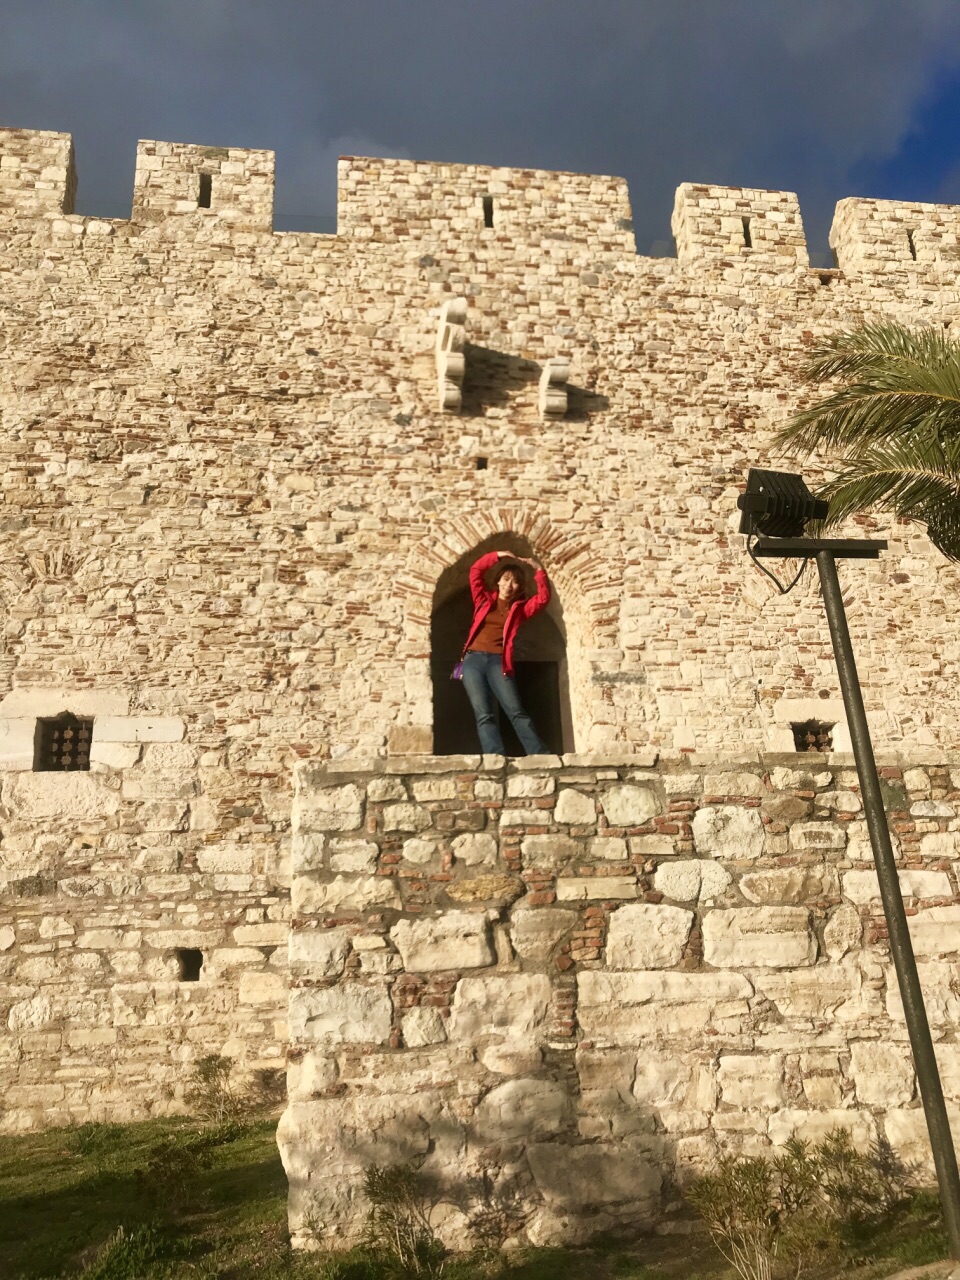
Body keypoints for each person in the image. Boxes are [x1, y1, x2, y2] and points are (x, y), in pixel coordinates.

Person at [459, 550, 551, 755]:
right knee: (483, 713)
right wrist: (497, 555)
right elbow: (476, 571)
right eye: (506, 579)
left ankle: (539, 753)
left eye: (515, 582)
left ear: (520, 587)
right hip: (472, 660)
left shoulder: (520, 610)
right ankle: (494, 755)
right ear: (498, 581)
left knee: (515, 710)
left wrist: (539, 571)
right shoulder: (483, 600)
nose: (509, 585)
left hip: (498, 662)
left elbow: (543, 599)